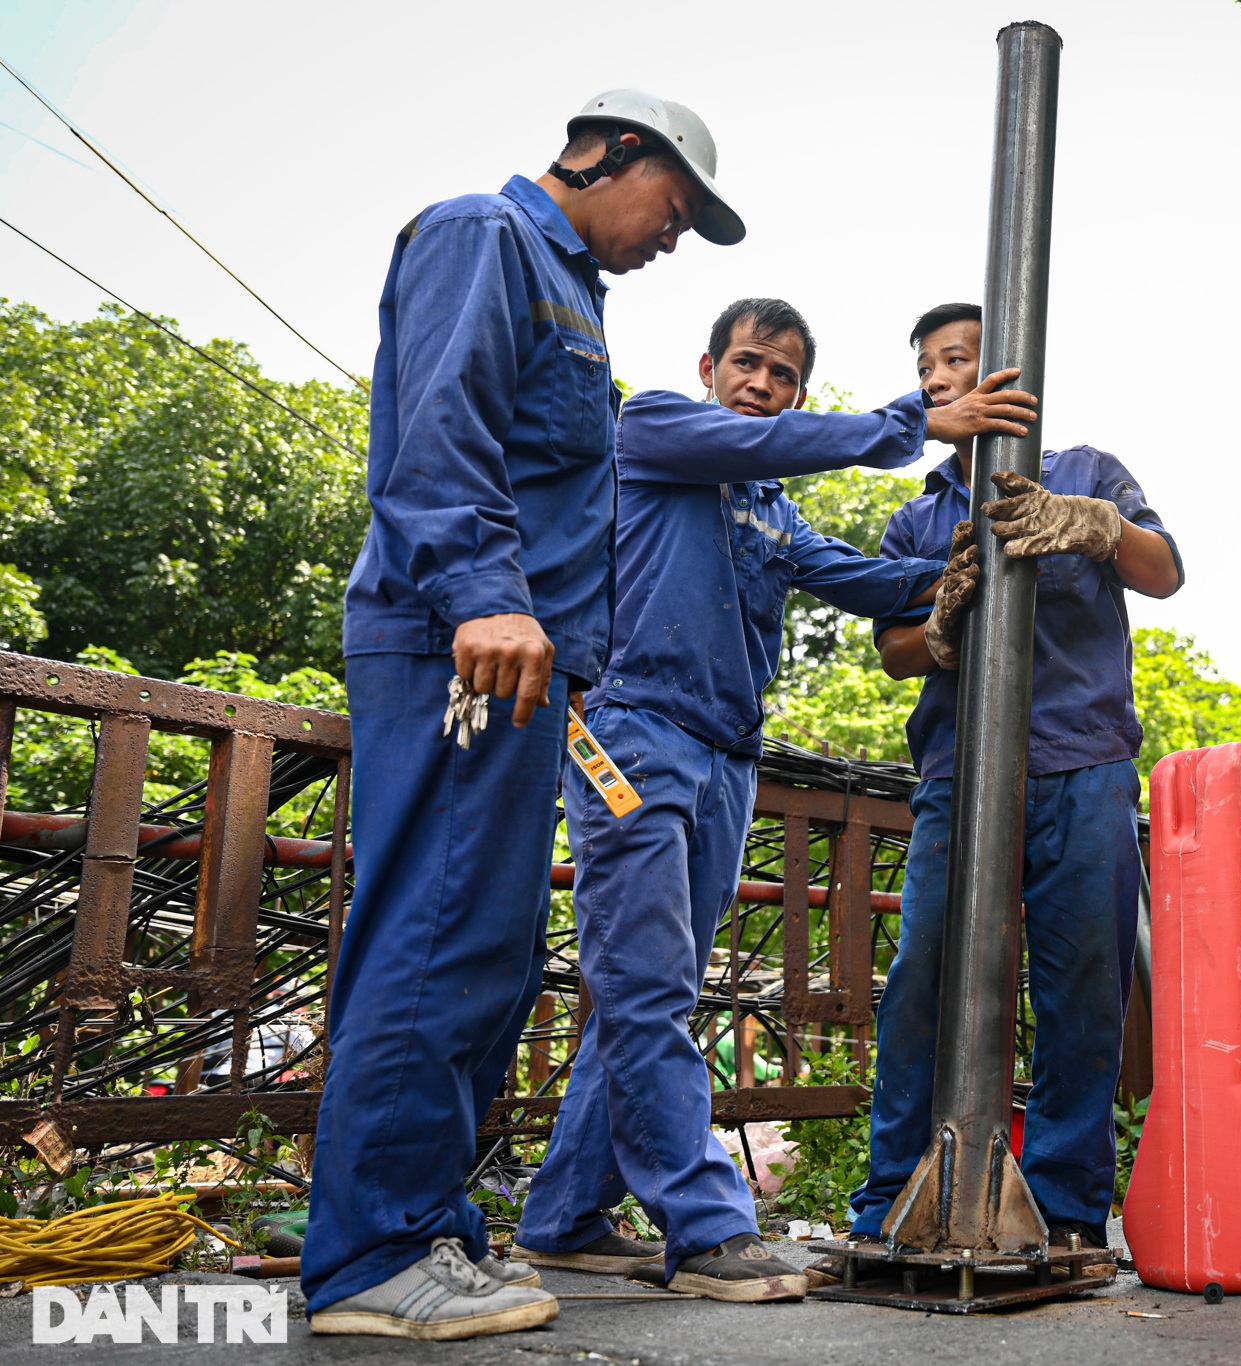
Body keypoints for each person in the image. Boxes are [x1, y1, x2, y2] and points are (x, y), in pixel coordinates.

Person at [304, 91, 742, 1341]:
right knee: (435, 930)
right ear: (617, 153)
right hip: (461, 641)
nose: (674, 236)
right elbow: (439, 432)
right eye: (676, 207)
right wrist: (487, 596)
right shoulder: (478, 237)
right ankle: (370, 1254)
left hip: (528, 668)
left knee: (486, 947)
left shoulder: (578, 297)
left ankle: (428, 1227)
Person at [507, 299, 1038, 1302]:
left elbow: (863, 581)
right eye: (746, 364)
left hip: (724, 759)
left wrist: (968, 568)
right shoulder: (654, 428)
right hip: (631, 736)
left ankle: (565, 1216)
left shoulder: (772, 510)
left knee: (646, 987)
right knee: (653, 980)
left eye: (781, 375)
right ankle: (707, 1230)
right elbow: (794, 443)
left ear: (796, 389)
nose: (760, 384)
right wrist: (913, 422)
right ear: (710, 365)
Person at [830, 301, 1183, 1268]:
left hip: (1083, 763)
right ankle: (893, 1199)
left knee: (1081, 985)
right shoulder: (919, 513)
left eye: (960, 359)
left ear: (1015, 373)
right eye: (930, 367)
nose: (943, 377)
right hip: (958, 769)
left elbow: (1166, 573)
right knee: (923, 985)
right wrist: (940, 623)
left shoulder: (1089, 471)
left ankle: (1069, 1207)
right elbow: (897, 651)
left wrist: (1096, 526)